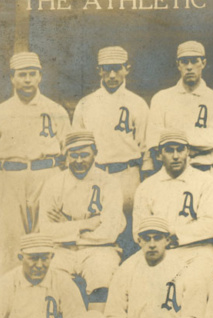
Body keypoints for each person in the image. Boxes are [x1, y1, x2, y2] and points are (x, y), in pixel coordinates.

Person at [0, 52, 70, 276]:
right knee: (9, 240)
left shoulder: (55, 110)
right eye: (22, 75)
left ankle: (46, 295)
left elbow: (67, 149)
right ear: (12, 78)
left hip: (47, 175)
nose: (28, 79)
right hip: (10, 179)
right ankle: (9, 299)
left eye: (33, 74)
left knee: (46, 237)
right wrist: (10, 174)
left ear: (40, 76)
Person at [38, 130, 125, 311]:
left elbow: (109, 232)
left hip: (100, 249)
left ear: (95, 153)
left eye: (85, 155)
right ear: (66, 155)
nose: (79, 161)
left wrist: (66, 228)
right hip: (62, 249)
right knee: (52, 276)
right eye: (73, 155)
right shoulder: (53, 183)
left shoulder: (109, 183)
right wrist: (85, 225)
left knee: (102, 273)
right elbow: (45, 231)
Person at [72, 46, 149, 251]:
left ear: (127, 69)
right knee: (97, 232)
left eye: (117, 68)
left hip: (128, 174)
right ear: (99, 70)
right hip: (96, 175)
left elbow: (145, 147)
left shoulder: (137, 103)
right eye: (107, 69)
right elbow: (76, 147)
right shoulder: (86, 104)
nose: (112, 75)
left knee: (129, 234)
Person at [133, 130, 213, 267]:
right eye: (169, 151)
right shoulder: (146, 187)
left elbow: (210, 225)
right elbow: (138, 230)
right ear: (159, 155)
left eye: (180, 150)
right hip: (158, 251)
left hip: (197, 249)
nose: (175, 156)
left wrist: (175, 234)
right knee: (127, 275)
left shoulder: (206, 181)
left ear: (188, 152)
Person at [145, 41, 213, 184]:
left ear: (203, 63)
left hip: (206, 171)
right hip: (170, 175)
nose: (189, 67)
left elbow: (212, 141)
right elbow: (153, 139)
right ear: (178, 65)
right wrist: (195, 142)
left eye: (195, 61)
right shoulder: (161, 98)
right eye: (184, 62)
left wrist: (170, 136)